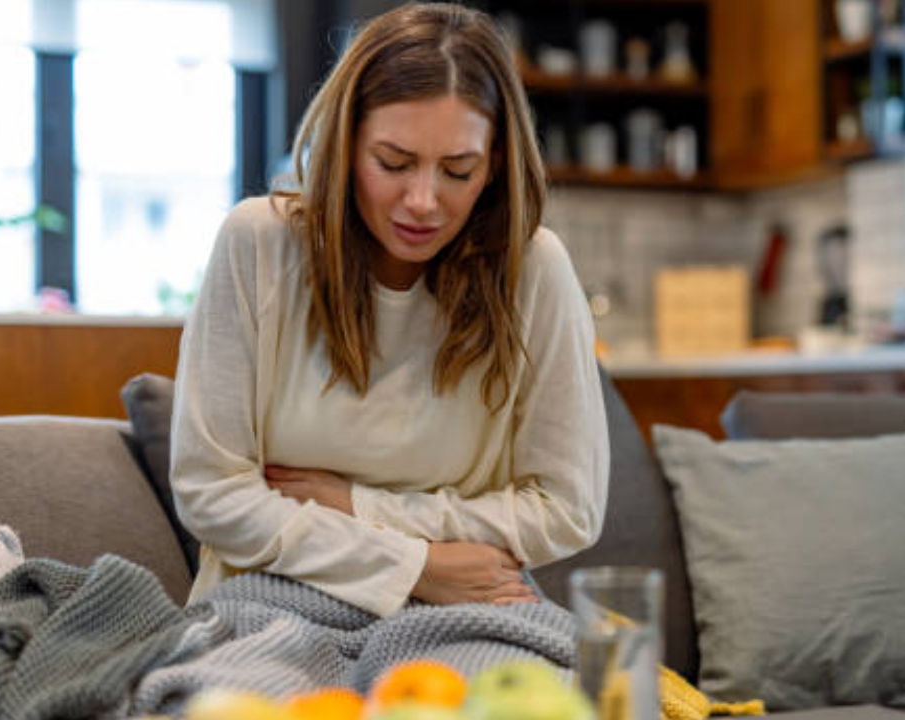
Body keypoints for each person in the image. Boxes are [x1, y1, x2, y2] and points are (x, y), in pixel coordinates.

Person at [169, 2, 609, 618]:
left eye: (458, 170)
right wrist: (413, 567)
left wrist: (358, 505)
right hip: (273, 598)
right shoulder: (258, 243)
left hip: (466, 602)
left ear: (495, 164)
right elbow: (210, 493)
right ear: (346, 145)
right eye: (393, 163)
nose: (423, 201)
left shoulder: (534, 269)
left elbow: (568, 510)